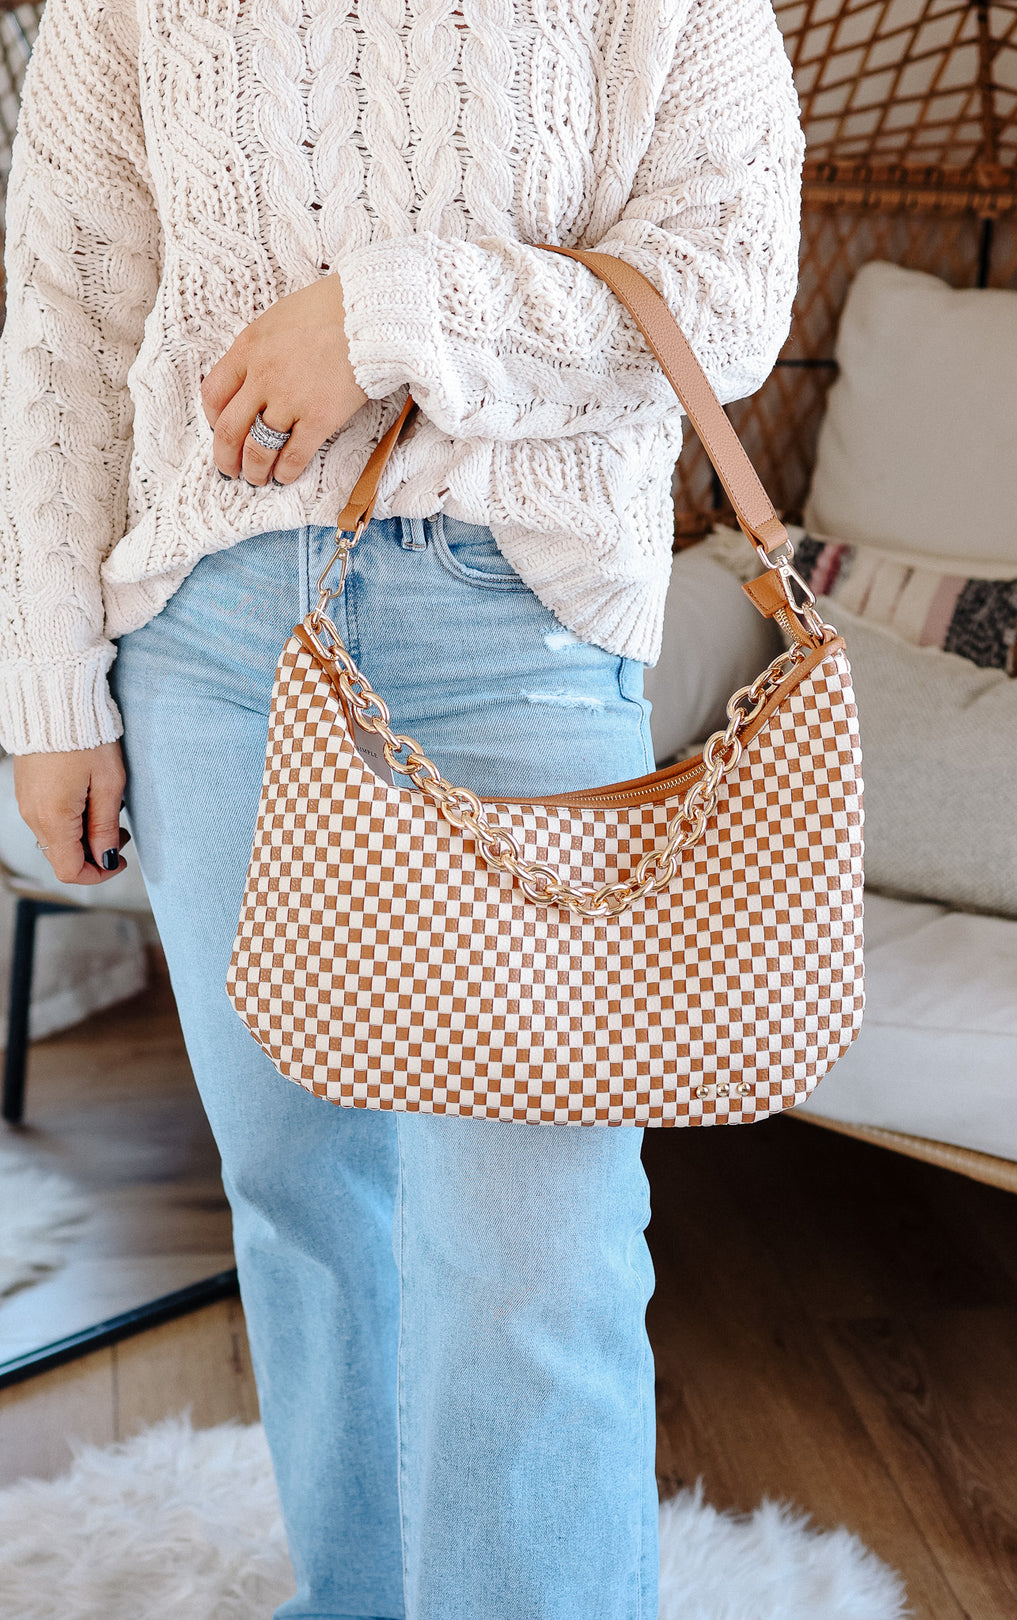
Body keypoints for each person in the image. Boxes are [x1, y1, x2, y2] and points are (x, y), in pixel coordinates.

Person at [0, 0, 803, 1613]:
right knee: (302, 1201)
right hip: (207, 637)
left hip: (511, 631)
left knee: (533, 1259)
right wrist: (47, 687)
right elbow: (66, 308)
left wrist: (388, 315)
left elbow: (730, 277)